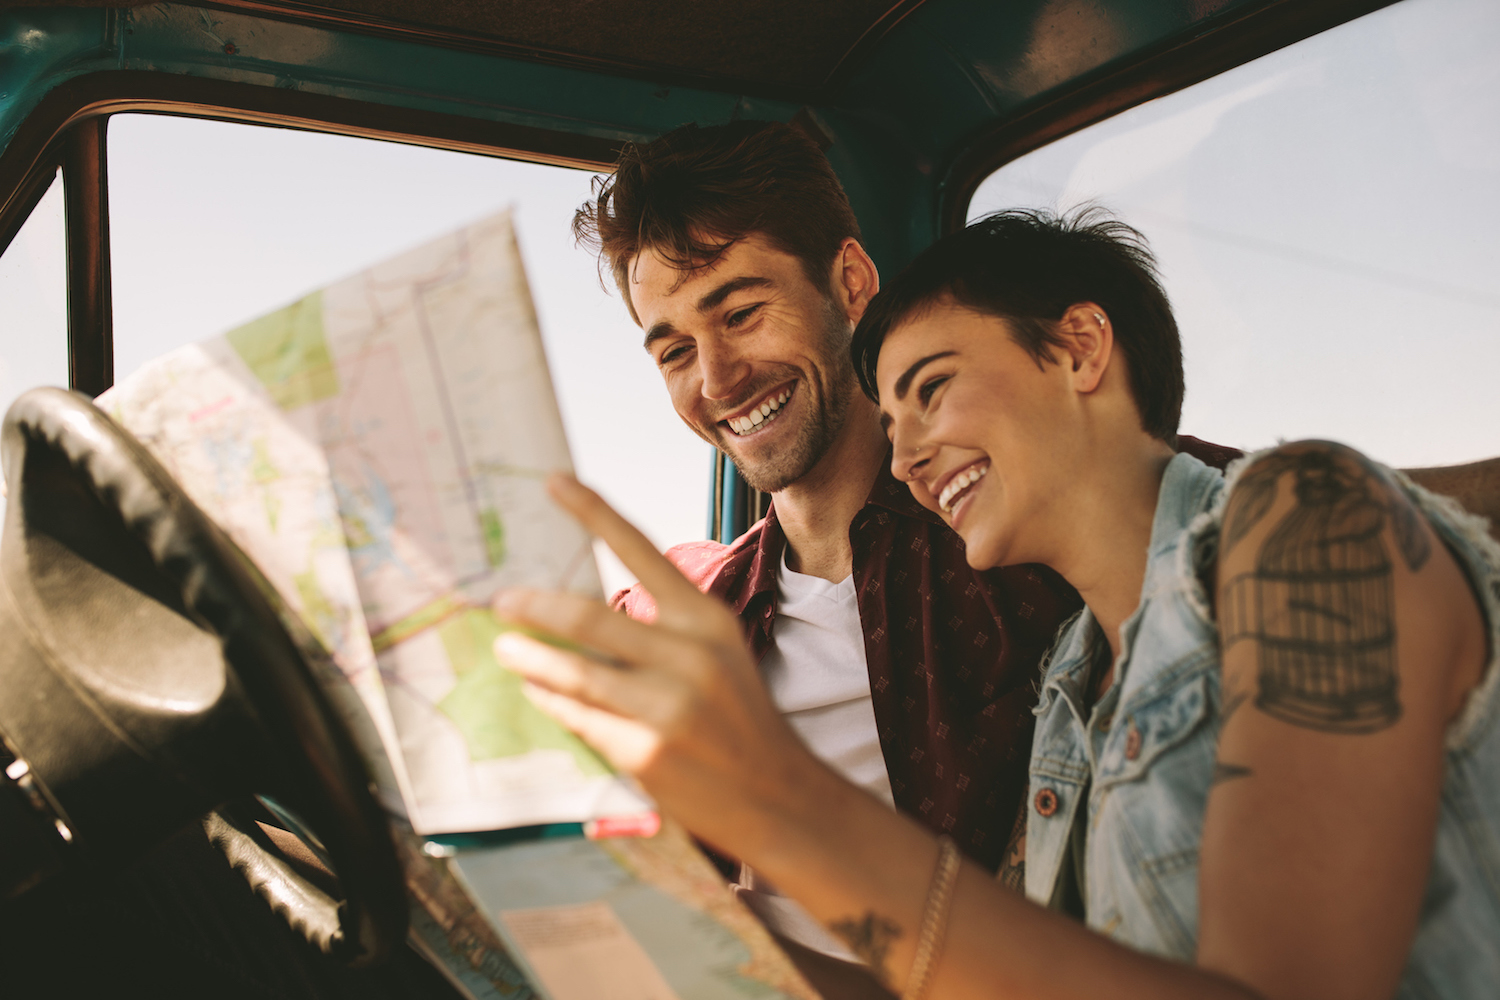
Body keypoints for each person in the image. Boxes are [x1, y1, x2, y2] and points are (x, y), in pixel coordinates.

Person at [491, 208, 1499, 999]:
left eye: (931, 388)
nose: (907, 452)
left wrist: (780, 799)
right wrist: (692, 926)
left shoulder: (1310, 518)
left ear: (1079, 350)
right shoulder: (1069, 695)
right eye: (889, 420)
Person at [571, 120, 1239, 887]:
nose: (718, 381)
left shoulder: (1027, 517)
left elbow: (1226, 495)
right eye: (676, 352)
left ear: (850, 283)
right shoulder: (684, 610)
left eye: (742, 314)